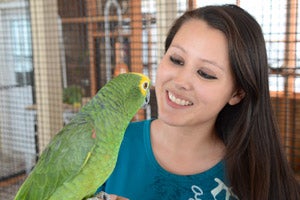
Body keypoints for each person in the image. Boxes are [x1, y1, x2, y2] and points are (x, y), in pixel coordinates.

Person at [96, 4, 300, 200]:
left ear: (237, 93)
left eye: (205, 73)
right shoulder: (106, 145)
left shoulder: (260, 178)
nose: (180, 82)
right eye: (176, 60)